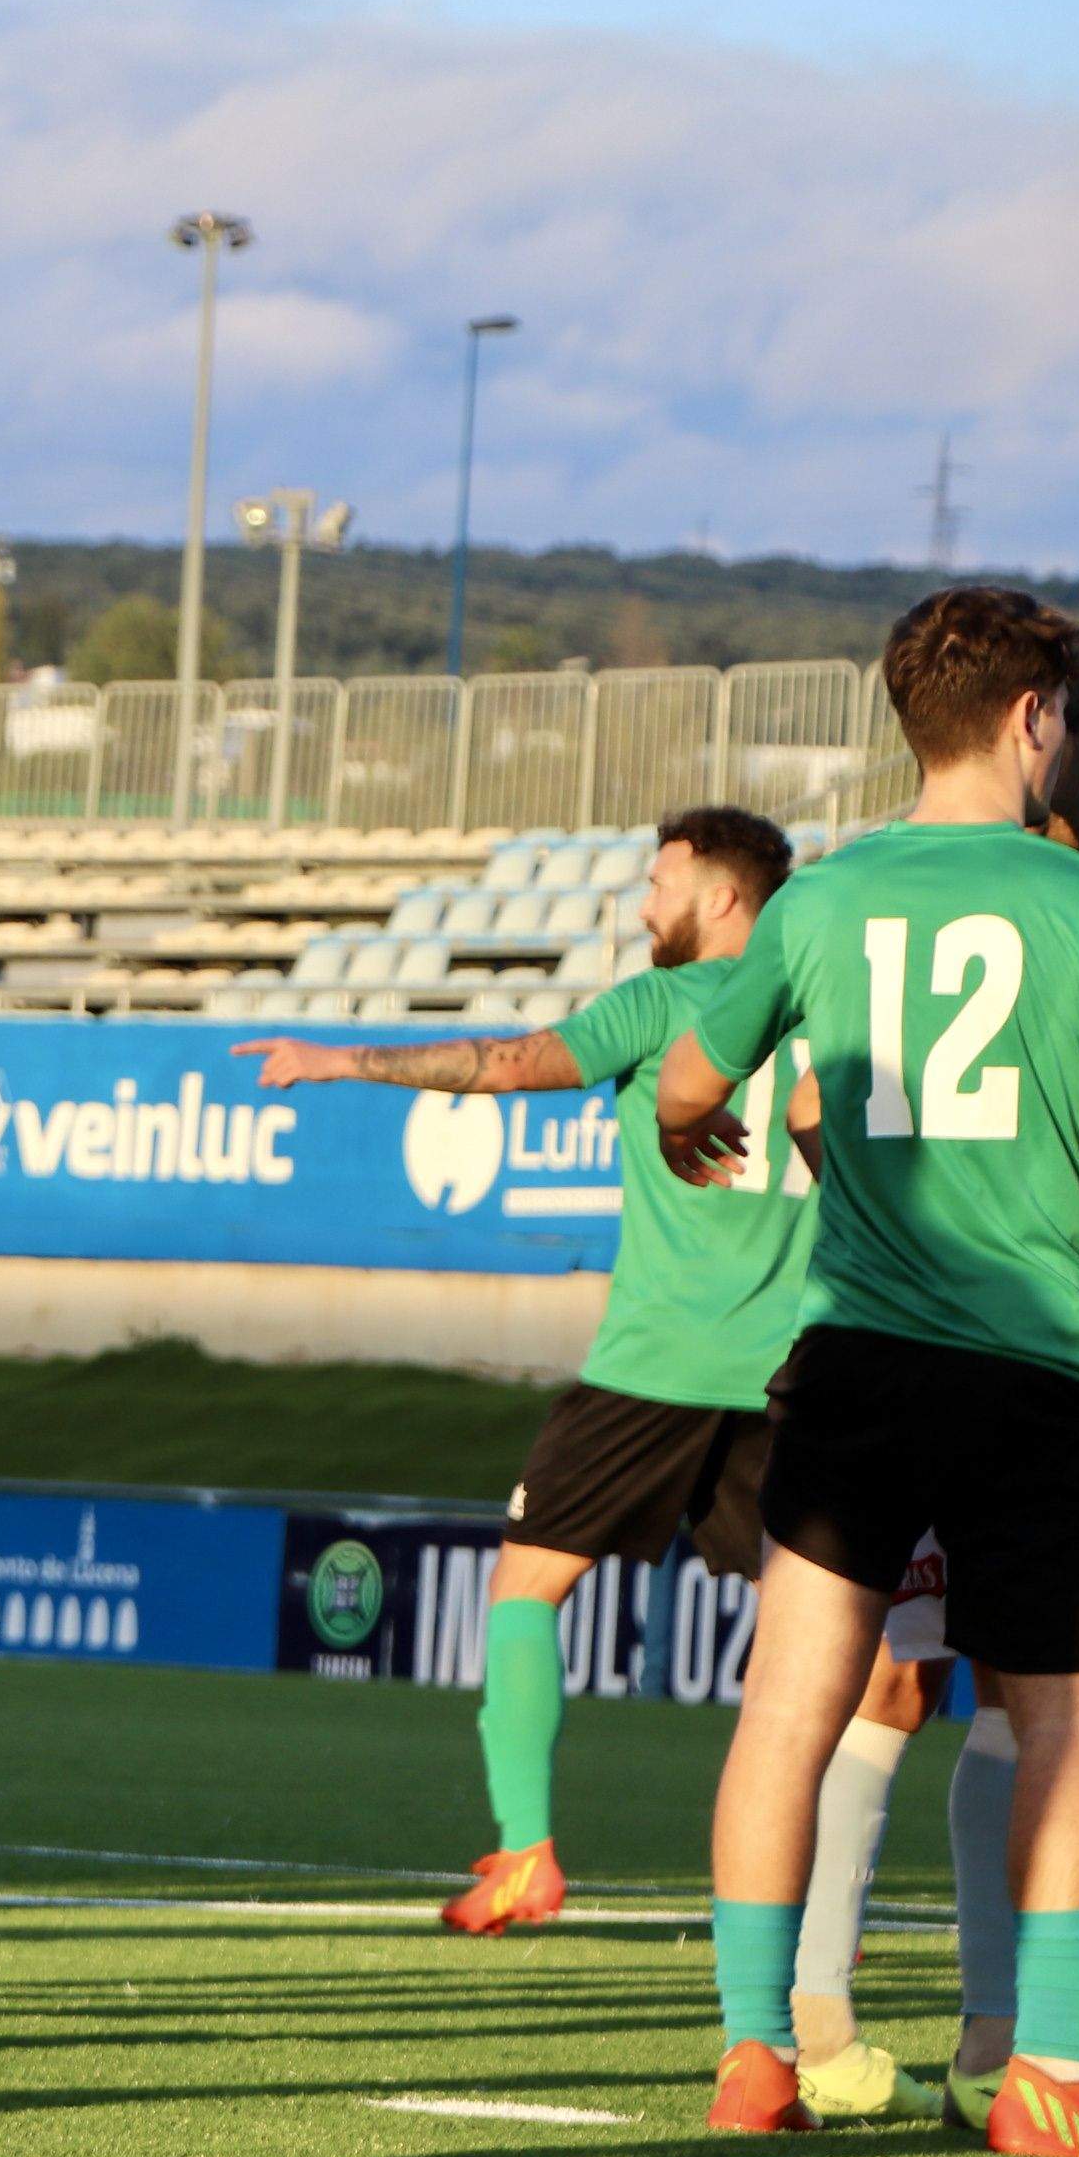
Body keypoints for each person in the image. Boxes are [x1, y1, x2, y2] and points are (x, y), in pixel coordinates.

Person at [663, 584, 1079, 2157]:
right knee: (1066, 1721)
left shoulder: (821, 901)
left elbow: (704, 1074)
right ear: (1033, 720)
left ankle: (756, 2054)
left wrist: (675, 1121)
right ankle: (1048, 2067)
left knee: (789, 1703)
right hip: (1028, 1367)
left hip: (852, 1362)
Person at [239, 810, 849, 1952]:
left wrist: (346, 1060)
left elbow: (509, 1064)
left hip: (655, 1367)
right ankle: (817, 1890)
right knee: (818, 1636)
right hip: (791, 1375)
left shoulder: (660, 1008)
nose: (641, 902)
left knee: (524, 1592)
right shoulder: (824, 1020)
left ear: (723, 899)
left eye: (660, 881)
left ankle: (527, 1853)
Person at [771, 627, 1079, 2130]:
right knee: (898, 1672)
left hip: (962, 1356)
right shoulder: (1029, 893)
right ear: (1036, 726)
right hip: (942, 1352)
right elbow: (811, 1100)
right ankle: (819, 2016)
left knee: (989, 1681)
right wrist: (910, 1227)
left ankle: (998, 2037)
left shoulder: (1066, 896)